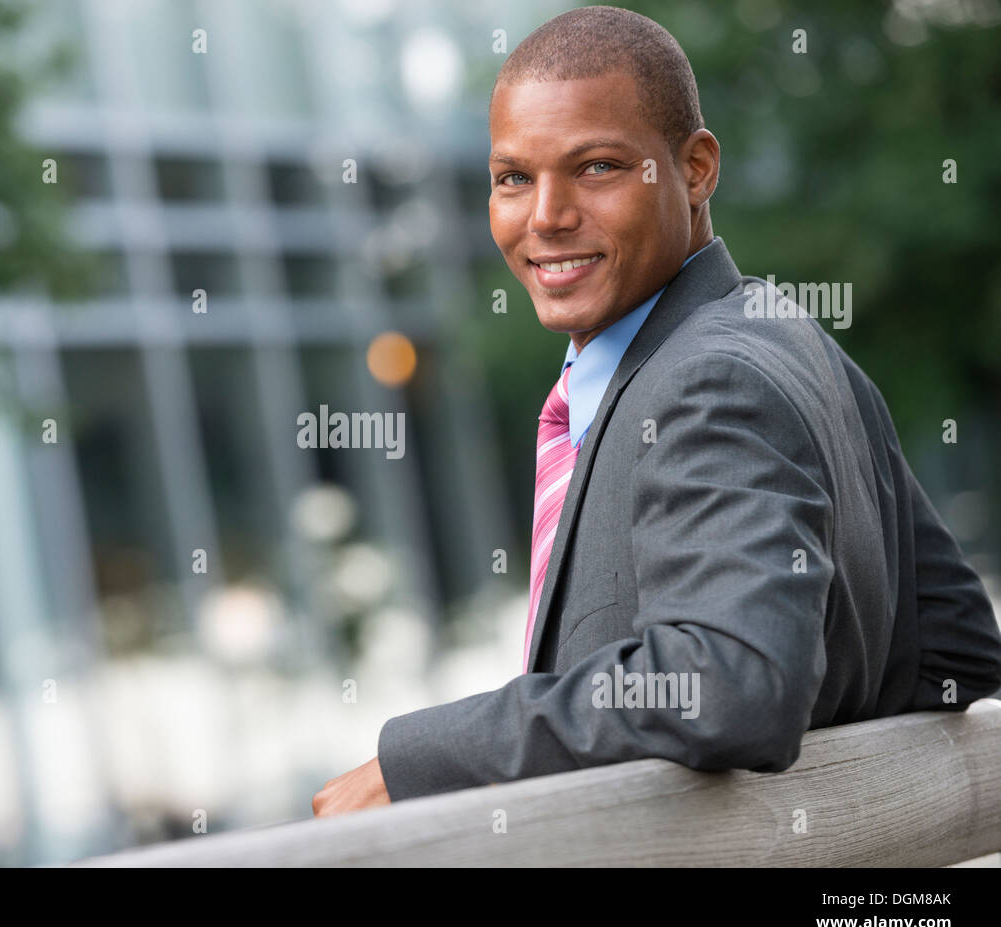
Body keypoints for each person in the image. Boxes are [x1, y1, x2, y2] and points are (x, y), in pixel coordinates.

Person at [311, 5, 1001, 815]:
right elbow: (952, 641)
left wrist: (422, 759)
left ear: (697, 168)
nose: (546, 217)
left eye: (597, 167)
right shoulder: (785, 333)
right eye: (513, 178)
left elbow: (730, 681)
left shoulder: (710, 382)